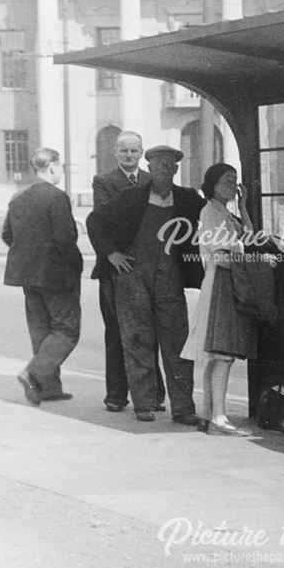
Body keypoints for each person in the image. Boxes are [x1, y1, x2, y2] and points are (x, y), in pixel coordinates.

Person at [86, 145, 205, 425]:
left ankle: (183, 408)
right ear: (149, 167)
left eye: (170, 164)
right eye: (159, 163)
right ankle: (144, 404)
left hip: (170, 279)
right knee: (137, 339)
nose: (165, 167)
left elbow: (214, 215)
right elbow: (95, 221)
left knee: (177, 342)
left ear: (176, 169)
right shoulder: (131, 197)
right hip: (132, 278)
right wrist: (111, 253)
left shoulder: (187, 199)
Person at [92, 131, 167, 413]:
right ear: (116, 152)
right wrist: (112, 254)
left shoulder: (153, 181)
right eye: (124, 151)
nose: (129, 156)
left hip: (148, 268)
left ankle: (153, 394)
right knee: (116, 332)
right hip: (116, 268)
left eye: (134, 151)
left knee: (149, 333)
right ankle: (116, 396)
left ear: (141, 153)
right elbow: (101, 220)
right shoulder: (104, 182)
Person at [181, 164, 257, 436]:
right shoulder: (210, 212)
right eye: (227, 180)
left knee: (216, 356)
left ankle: (207, 415)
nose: (233, 185)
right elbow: (222, 254)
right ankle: (219, 418)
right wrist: (253, 264)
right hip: (220, 285)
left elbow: (248, 236)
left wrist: (244, 206)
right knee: (222, 354)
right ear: (212, 183)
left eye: (235, 180)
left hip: (222, 283)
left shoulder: (224, 211)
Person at [3, 148, 83, 405]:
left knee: (41, 330)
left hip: (26, 275)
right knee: (66, 331)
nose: (61, 172)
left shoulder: (18, 197)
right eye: (60, 167)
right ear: (51, 167)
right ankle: (34, 373)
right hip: (56, 275)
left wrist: (27, 253)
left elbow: (7, 235)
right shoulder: (56, 197)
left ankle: (47, 388)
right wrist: (76, 265)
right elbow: (65, 238)